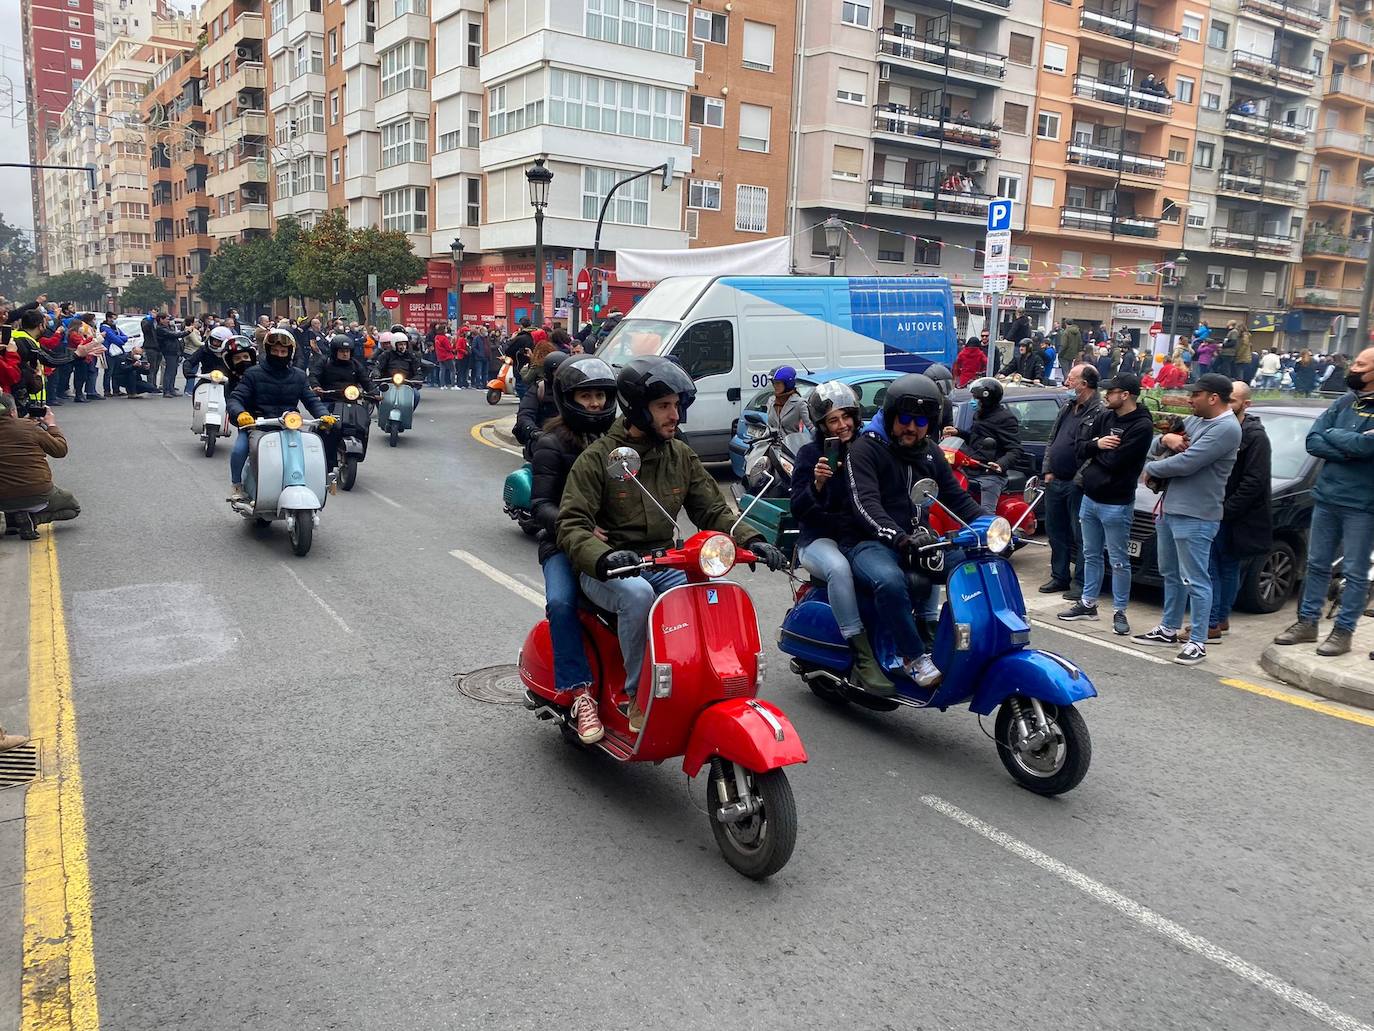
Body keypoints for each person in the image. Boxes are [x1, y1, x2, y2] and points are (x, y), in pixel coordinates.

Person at [557, 357, 784, 731]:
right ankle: (637, 696)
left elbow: (712, 509)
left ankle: (700, 679)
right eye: (664, 406)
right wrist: (606, 557)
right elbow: (572, 525)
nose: (674, 415)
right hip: (611, 569)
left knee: (705, 595)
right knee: (637, 595)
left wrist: (752, 539)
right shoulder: (598, 459)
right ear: (637, 409)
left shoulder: (679, 454)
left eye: (677, 405)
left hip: (664, 561)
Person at [845, 374, 985, 687]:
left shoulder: (930, 452)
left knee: (971, 564)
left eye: (920, 421)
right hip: (871, 543)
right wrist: (899, 537)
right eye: (905, 418)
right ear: (892, 416)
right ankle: (914, 657)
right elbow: (866, 505)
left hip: (918, 543)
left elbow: (956, 498)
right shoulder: (865, 449)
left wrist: (991, 526)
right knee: (890, 581)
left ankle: (953, 640)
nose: (912, 427)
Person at [529, 355, 619, 744]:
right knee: (563, 603)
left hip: (617, 545)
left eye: (600, 395)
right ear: (569, 399)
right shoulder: (551, 443)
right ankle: (581, 694)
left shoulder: (621, 440)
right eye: (586, 396)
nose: (596, 403)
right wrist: (578, 526)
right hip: (562, 546)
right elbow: (540, 507)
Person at [1132, 373, 1242, 665]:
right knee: (1170, 572)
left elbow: (1188, 462)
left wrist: (1152, 469)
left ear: (1213, 398)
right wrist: (1166, 437)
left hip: (1197, 514)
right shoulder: (1196, 421)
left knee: (1196, 579)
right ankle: (1168, 628)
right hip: (1170, 508)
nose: (1190, 400)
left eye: (1195, 395)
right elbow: (1158, 443)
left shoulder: (1227, 428)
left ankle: (1198, 641)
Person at [1274, 346, 1374, 656]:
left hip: (1363, 504)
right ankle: (1307, 623)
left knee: (1355, 572)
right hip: (1327, 497)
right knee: (1317, 565)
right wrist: (1350, 446)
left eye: (1360, 364)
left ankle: (1343, 632)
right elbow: (1313, 440)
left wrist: (1337, 438)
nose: (1353, 368)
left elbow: (1366, 449)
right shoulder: (1344, 402)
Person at [790, 382, 889, 693]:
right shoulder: (809, 455)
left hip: (855, 537)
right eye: (833, 420)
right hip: (817, 539)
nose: (842, 424)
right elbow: (799, 510)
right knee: (838, 568)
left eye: (847, 416)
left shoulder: (868, 448)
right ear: (821, 425)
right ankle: (862, 655)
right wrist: (817, 484)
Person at [1058, 373, 1154, 634]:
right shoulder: (1105, 416)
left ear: (1125, 395)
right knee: (1090, 554)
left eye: (1111, 391)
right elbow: (1079, 447)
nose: (1106, 395)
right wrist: (1098, 444)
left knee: (1119, 560)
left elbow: (1118, 462)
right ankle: (1088, 603)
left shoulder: (1142, 426)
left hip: (1117, 502)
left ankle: (1119, 611)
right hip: (1090, 497)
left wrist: (1095, 451)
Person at [225, 329, 335, 502]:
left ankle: (312, 484)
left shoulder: (298, 376)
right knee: (241, 450)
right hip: (259, 426)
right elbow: (236, 398)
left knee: (311, 449)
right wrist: (241, 413)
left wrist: (324, 415)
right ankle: (238, 485)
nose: (279, 354)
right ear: (268, 351)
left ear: (289, 353)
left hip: (289, 425)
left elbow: (311, 400)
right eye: (275, 351)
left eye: (283, 352)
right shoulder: (253, 373)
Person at [1208, 383, 1271, 641]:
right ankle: (1219, 618)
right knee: (1219, 566)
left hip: (1231, 514)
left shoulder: (1255, 437)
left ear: (1246, 404)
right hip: (1216, 507)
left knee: (1220, 567)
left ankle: (1214, 621)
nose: (1227, 405)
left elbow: (1254, 481)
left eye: (1232, 400)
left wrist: (1224, 510)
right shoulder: (1218, 427)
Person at [1039, 364, 1102, 597]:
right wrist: (1048, 468)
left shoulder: (1099, 412)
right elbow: (1052, 439)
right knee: (1056, 532)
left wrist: (1078, 478)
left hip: (1078, 484)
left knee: (1081, 536)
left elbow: (1096, 452)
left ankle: (1081, 584)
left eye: (1071, 379)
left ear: (1084, 384)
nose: (1066, 382)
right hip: (1055, 480)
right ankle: (1059, 577)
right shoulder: (1067, 406)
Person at [0, 392, 80, 540]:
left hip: (2, 498)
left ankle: (12, 519)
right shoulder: (30, 427)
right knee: (73, 508)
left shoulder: (28, 426)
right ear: (12, 411)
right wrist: (51, 425)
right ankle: (32, 520)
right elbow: (60, 450)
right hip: (37, 492)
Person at [942, 377, 1022, 516]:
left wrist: (1000, 465)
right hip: (971, 469)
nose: (972, 401)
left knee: (985, 514)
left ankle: (990, 533)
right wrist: (958, 433)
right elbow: (976, 439)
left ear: (986, 399)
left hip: (990, 474)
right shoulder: (979, 414)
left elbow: (1015, 449)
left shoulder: (1005, 419)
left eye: (975, 398)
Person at [514, 350, 567, 452]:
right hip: (544, 441)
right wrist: (533, 431)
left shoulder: (573, 389)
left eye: (563, 370)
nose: (560, 375)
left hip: (569, 440)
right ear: (548, 372)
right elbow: (525, 414)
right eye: (556, 371)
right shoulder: (539, 389)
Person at [766, 365, 812, 434]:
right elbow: (769, 427)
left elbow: (811, 427)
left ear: (788, 383)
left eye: (778, 383)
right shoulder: (771, 401)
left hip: (792, 444)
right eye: (774, 383)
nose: (775, 386)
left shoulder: (799, 403)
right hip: (772, 444)